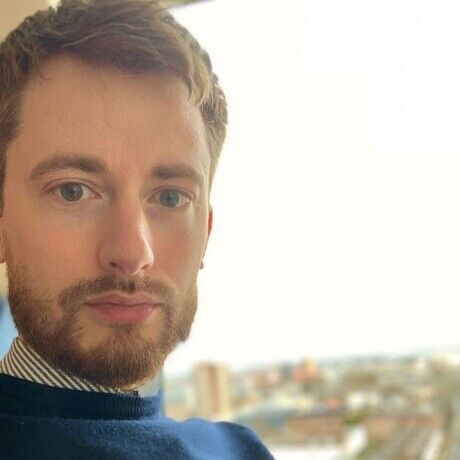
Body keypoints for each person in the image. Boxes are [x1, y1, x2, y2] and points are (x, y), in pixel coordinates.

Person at [0, 1, 274, 458]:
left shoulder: (240, 451)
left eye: (170, 198)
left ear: (205, 233)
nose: (132, 252)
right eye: (72, 191)